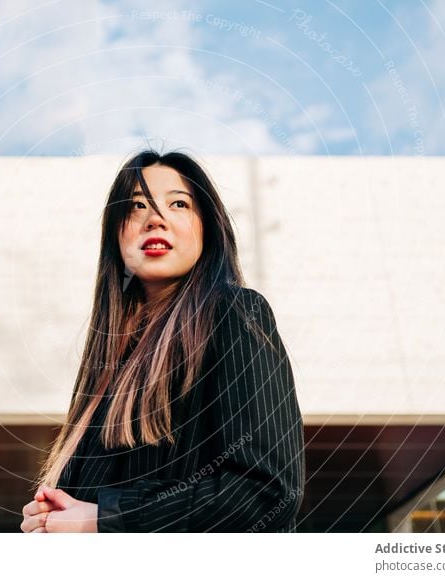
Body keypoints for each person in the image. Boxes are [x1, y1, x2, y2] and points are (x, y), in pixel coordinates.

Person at [20, 149, 305, 533]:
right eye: (137, 206)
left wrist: (104, 519)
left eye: (178, 204)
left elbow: (266, 492)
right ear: (116, 233)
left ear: (207, 227)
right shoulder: (107, 363)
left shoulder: (235, 313)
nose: (155, 218)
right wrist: (50, 517)